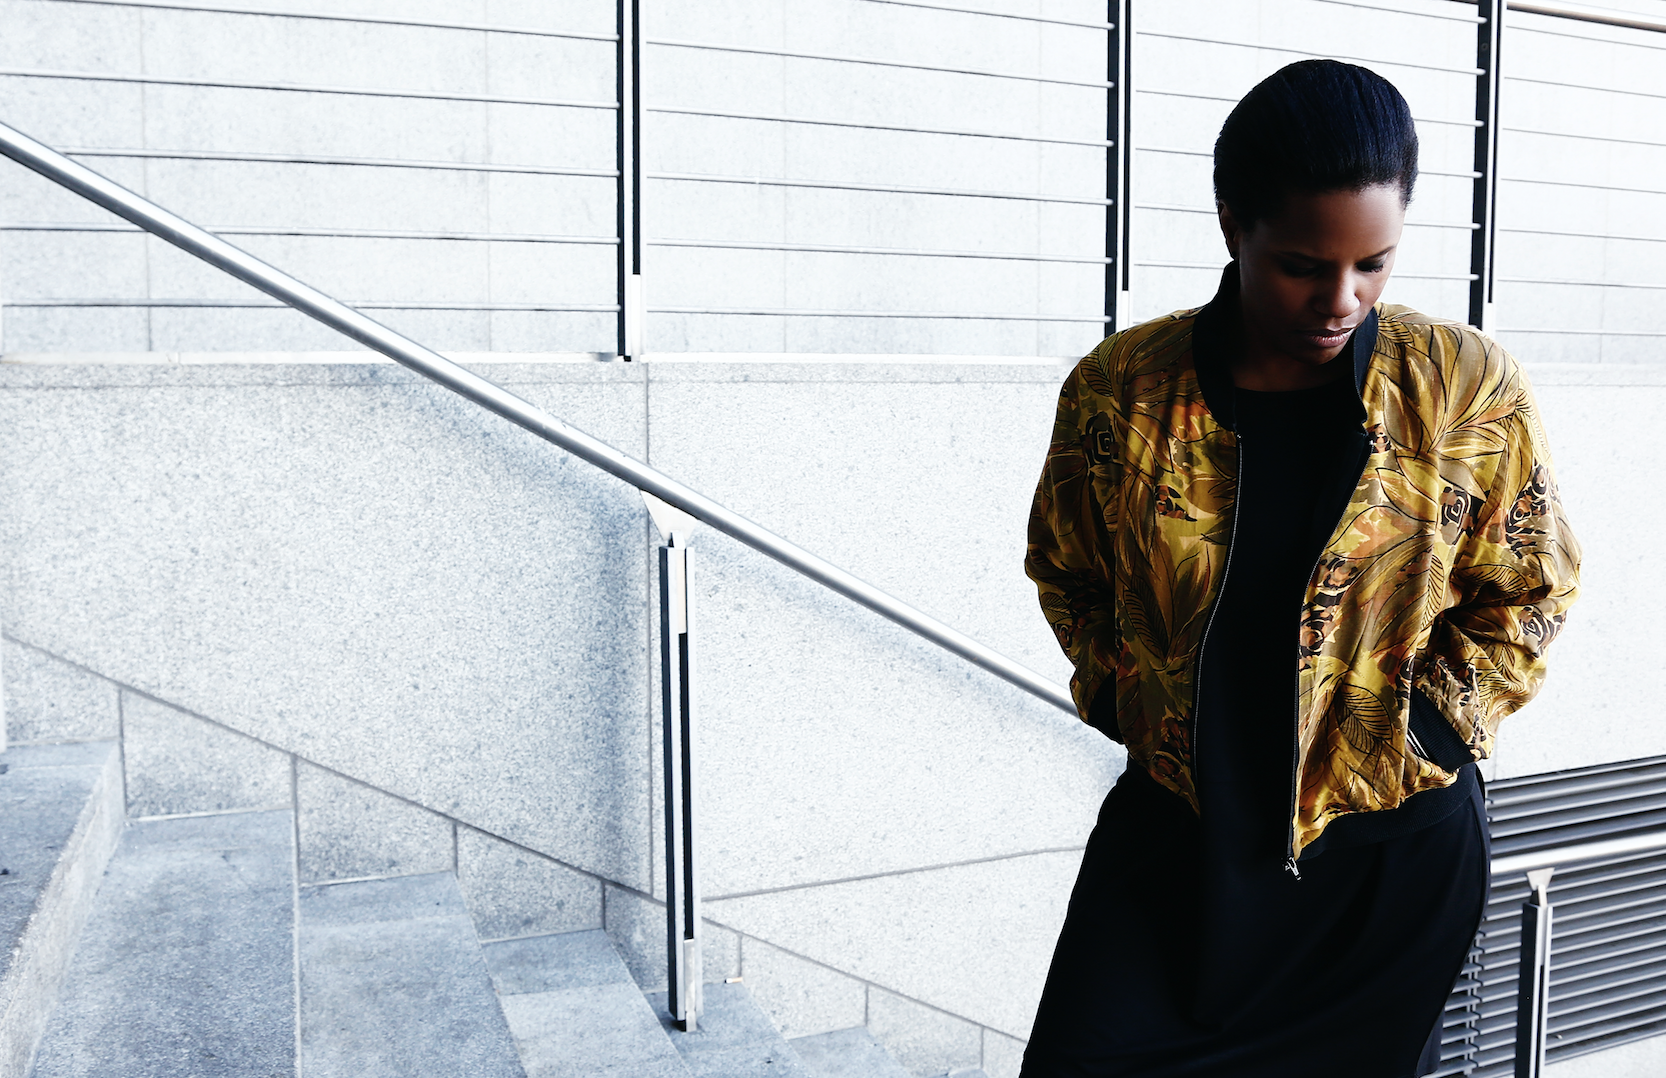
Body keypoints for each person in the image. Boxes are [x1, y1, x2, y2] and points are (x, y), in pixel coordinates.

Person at [1020, 59, 1581, 1078]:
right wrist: (1126, 697)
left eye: (1373, 263)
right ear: (1232, 222)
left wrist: (1428, 727)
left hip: (1382, 867)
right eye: (1300, 265)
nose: (1340, 298)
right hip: (1177, 846)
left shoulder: (1459, 384)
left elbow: (1530, 584)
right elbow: (1067, 567)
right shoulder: (1123, 389)